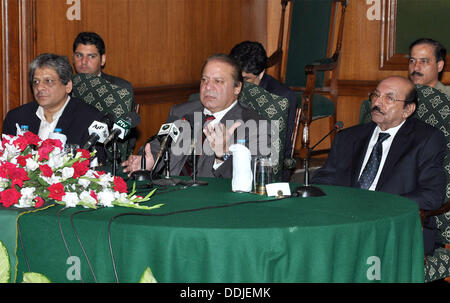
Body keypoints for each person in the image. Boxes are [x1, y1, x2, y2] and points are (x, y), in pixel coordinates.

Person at [312, 76, 447, 256]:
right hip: (344, 223)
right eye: (376, 95)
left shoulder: (426, 140)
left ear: (408, 109)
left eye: (388, 98)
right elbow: (323, 179)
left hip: (395, 228)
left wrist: (378, 205)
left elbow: (432, 196)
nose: (377, 102)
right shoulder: (348, 137)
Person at [122, 54, 271, 179]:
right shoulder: (181, 112)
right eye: (204, 80)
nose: (208, 87)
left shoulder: (257, 126)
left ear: (237, 87)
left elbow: (253, 178)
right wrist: (152, 160)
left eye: (218, 81)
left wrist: (222, 156)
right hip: (170, 194)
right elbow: (159, 143)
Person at [2, 53, 106, 162]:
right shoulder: (16, 118)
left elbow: (97, 167)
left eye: (48, 81)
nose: (40, 87)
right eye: (36, 82)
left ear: (68, 86)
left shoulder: (90, 120)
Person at [229, 41, 297, 181]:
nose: (240, 85)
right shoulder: (228, 86)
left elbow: (283, 147)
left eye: (246, 79)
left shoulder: (281, 97)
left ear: (261, 73)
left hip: (264, 165)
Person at [72, 32, 134, 96]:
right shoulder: (65, 88)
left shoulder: (121, 88)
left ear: (103, 59)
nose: (84, 61)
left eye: (91, 56)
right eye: (79, 55)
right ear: (73, 58)